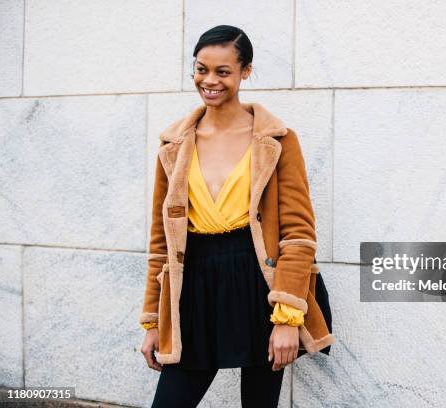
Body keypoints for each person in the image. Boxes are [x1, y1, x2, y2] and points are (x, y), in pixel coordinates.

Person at [138, 25, 334, 407]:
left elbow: (298, 234)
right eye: (201, 69)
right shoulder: (173, 145)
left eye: (222, 71)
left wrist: (286, 318)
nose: (209, 81)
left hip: (258, 282)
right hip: (194, 283)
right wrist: (152, 322)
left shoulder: (277, 140)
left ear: (245, 72)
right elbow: (161, 242)